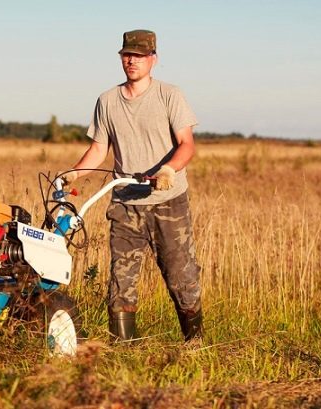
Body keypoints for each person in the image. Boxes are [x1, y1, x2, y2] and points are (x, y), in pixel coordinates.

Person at [61, 29, 203, 342]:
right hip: (125, 204)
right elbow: (99, 150)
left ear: (153, 59)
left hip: (167, 199)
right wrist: (72, 174)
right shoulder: (107, 101)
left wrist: (168, 169)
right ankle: (124, 350)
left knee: (181, 277)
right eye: (127, 55)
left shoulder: (170, 95)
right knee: (121, 281)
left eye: (139, 55)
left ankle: (195, 342)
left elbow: (187, 144)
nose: (131, 61)